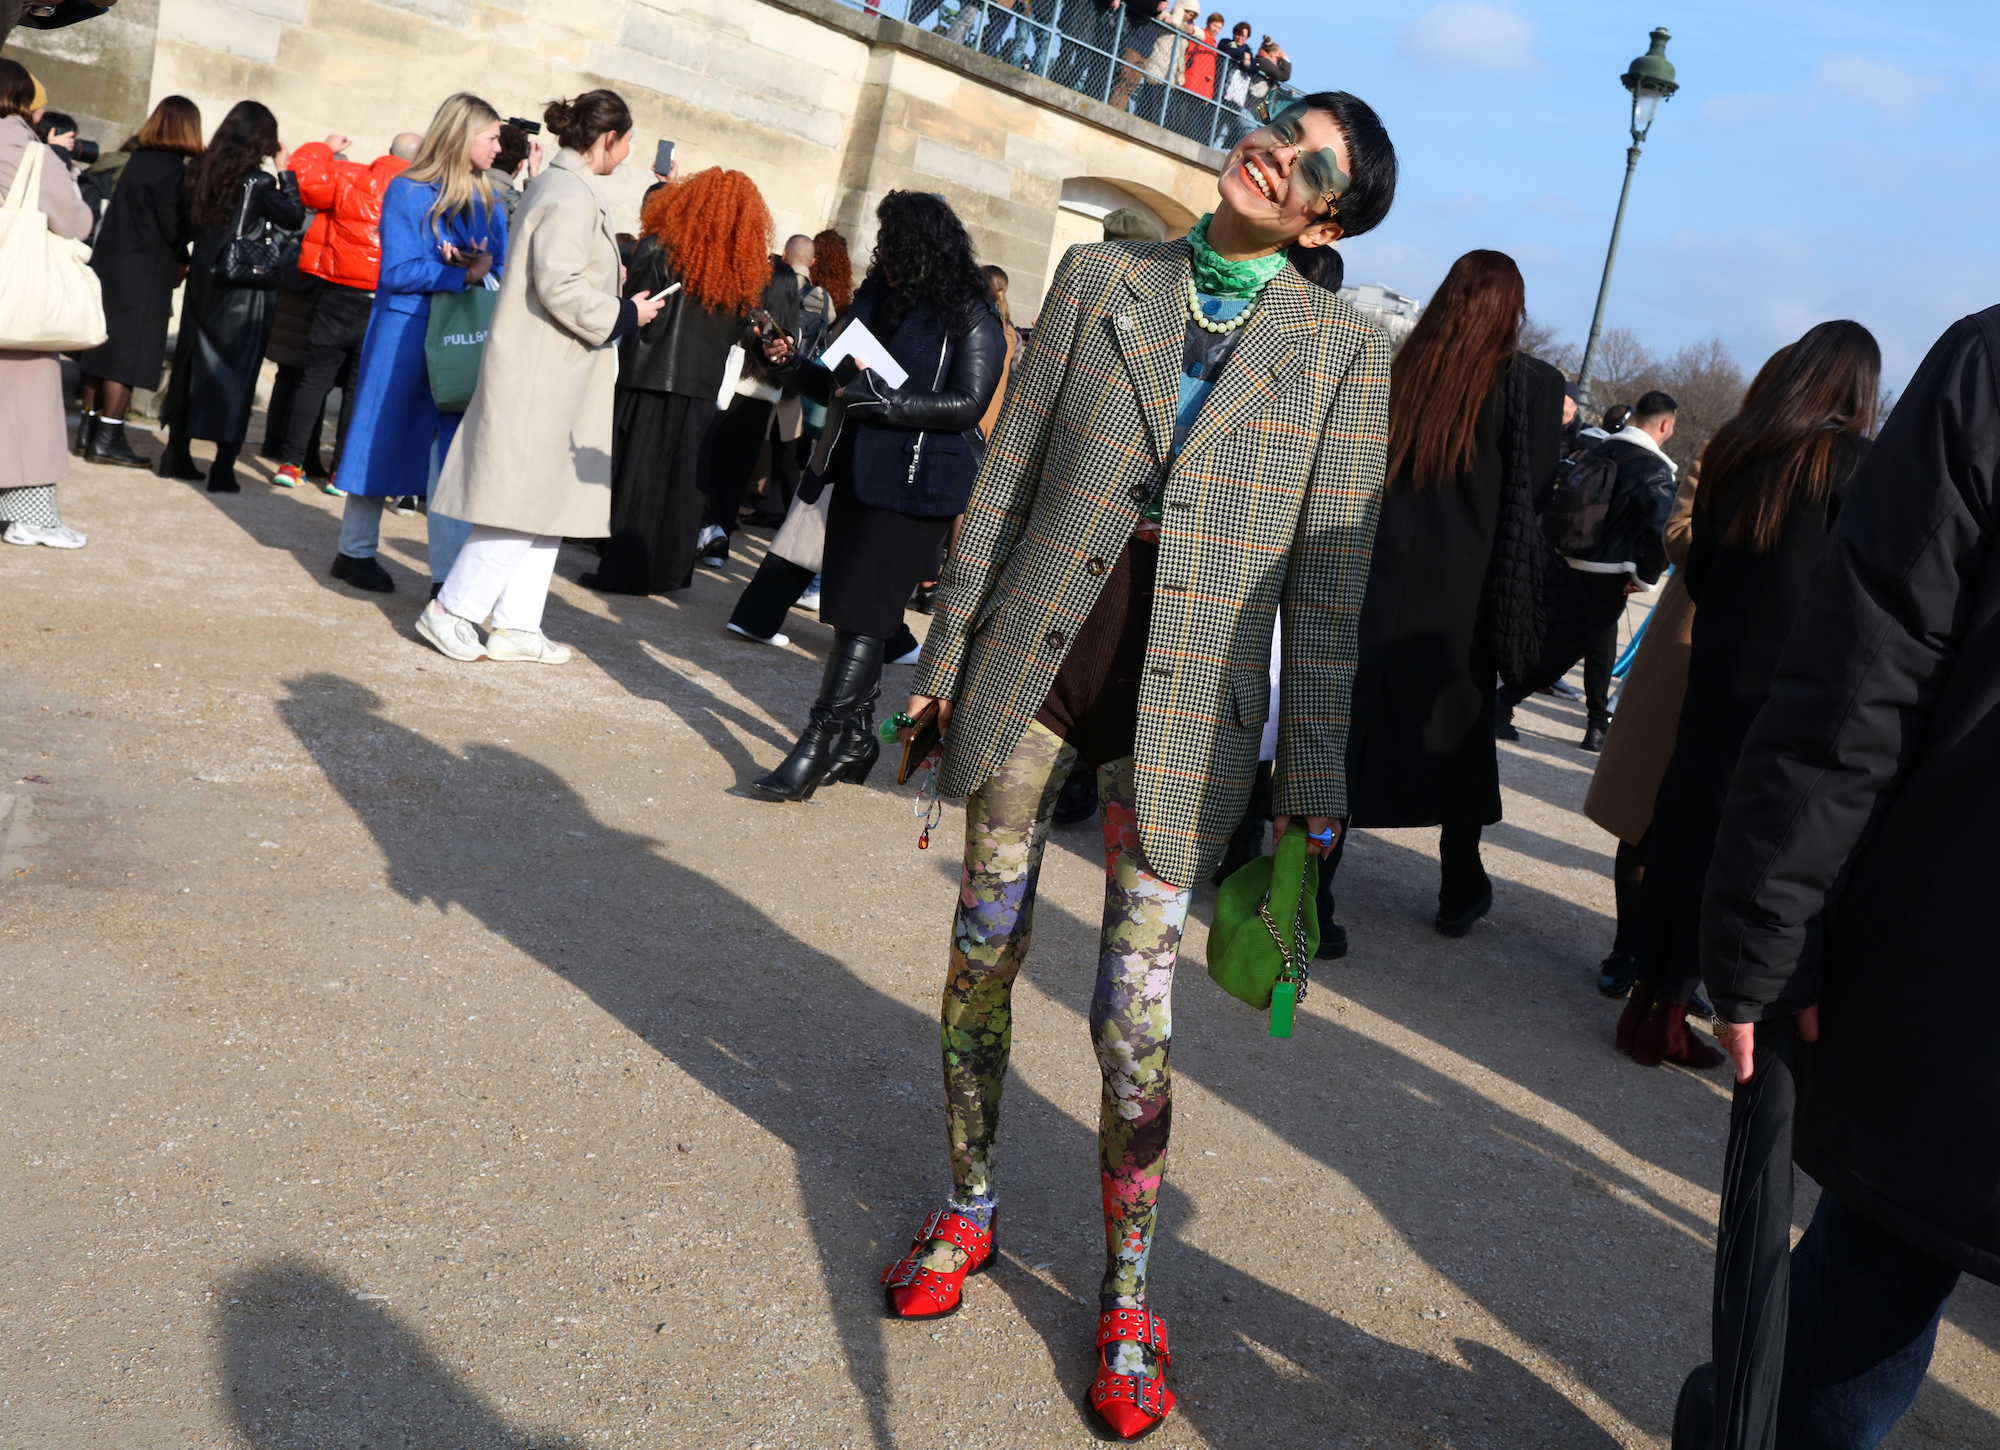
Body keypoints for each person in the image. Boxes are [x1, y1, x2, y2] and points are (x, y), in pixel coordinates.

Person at [876, 92, 1397, 1441]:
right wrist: (940, 655)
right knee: (981, 948)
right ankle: (972, 1206)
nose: (1274, 148)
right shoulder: (1107, 270)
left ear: (1326, 216)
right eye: (1279, 125)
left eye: (1309, 161)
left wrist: (1315, 789)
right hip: (1040, 665)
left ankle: (1126, 1289)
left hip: (1186, 717)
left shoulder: (1346, 353)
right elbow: (1008, 478)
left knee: (1133, 1020)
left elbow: (1331, 593)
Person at [1694, 307, 2000, 1446]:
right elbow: (1864, 669)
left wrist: (1765, 932)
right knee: (1862, 1297)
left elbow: (1859, 674)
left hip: (1953, 977)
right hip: (1958, 972)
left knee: (1863, 1294)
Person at [1615, 321, 1880, 1072]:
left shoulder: (1743, 446)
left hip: (1715, 665)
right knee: (1738, 850)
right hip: (1786, 683)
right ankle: (1672, 1011)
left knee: (1679, 825)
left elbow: (1698, 560)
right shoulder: (1850, 461)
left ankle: (1647, 1002)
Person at [1319, 252, 1564, 945]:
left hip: (1379, 574)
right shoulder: (1533, 386)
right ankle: (1460, 885)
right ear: (1512, 309)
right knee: (1457, 735)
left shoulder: (1402, 366)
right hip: (1465, 592)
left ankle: (1320, 891)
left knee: (1352, 736)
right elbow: (1534, 490)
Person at [743, 190, 1004, 799]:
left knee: (865, 618)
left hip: (921, 480)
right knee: (851, 614)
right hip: (858, 470)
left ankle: (821, 740)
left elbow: (968, 402)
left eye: (891, 242)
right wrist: (786, 360)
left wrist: (888, 405)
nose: (879, 253)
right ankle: (856, 738)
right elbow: (837, 379)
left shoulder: (970, 310)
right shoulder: (877, 297)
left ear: (920, 246)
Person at [418, 89, 665, 664]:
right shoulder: (570, 193)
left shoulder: (565, 186)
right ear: (609, 138)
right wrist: (626, 312)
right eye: (627, 142)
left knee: (544, 501)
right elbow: (560, 285)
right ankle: (451, 610)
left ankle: (516, 624)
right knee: (521, 501)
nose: (628, 154)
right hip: (543, 372)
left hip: (555, 370)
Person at [1583, 343, 1793, 1000]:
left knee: (1716, 830)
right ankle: (1627, 947)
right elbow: (1677, 538)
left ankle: (1678, 968)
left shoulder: (1828, 470)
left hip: (1759, 664)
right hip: (1686, 645)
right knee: (1644, 812)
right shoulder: (1729, 449)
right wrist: (1746, 539)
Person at [324, 97, 507, 594]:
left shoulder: (489, 200)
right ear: (463, 135)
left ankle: (448, 576)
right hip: (406, 333)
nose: (499, 145)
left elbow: (502, 269)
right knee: (383, 435)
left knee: (451, 456)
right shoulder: (408, 190)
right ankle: (354, 552)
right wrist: (460, 271)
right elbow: (398, 271)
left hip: (463, 335)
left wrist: (481, 268)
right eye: (491, 136)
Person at [582, 166, 771, 596]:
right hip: (701, 387)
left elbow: (637, 309)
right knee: (683, 482)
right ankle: (667, 572)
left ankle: (622, 570)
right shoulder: (742, 268)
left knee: (637, 475)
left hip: (648, 375)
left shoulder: (658, 248)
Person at [1497, 390, 1679, 747]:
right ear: (1666, 423)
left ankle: (1597, 725)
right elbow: (1660, 529)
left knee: (1596, 642)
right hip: (1609, 573)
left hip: (1567, 556)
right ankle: (1503, 703)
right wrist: (1644, 577)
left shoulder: (1601, 448)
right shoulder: (1655, 468)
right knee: (1566, 648)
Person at [156, 101, 305, 493]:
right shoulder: (258, 182)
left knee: (190, 364)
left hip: (204, 282)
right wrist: (285, 168)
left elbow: (184, 225)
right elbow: (293, 216)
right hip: (244, 288)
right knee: (238, 374)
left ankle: (176, 452)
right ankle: (223, 466)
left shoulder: (199, 172)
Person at [267, 129, 418, 500]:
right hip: (382, 298)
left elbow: (299, 174)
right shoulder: (418, 190)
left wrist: (327, 147)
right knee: (357, 389)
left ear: (387, 150)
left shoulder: (349, 177)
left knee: (314, 380)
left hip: (336, 292)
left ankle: (291, 463)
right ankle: (340, 472)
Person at [73, 93, 202, 470]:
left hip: (113, 264)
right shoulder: (171, 170)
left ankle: (88, 432)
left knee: (101, 352)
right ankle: (109, 439)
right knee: (125, 359)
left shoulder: (138, 159)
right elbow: (173, 226)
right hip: (143, 272)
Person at [0, 58, 94, 549]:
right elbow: (77, 224)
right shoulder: (30, 153)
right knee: (26, 404)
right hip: (13, 289)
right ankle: (31, 516)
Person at [694, 244, 800, 567]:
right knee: (736, 477)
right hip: (762, 408)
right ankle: (719, 544)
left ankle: (703, 531)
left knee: (709, 467)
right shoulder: (790, 332)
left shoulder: (753, 322)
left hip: (731, 396)